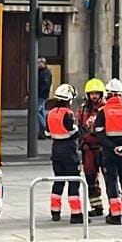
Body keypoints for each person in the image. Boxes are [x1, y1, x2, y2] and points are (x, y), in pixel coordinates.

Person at [92, 79, 122, 225]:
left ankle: (115, 215)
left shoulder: (102, 112)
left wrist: (112, 147)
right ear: (120, 95)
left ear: (108, 95)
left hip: (109, 153)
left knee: (112, 183)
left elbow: (99, 134)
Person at [45, 83, 83, 224]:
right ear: (69, 99)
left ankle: (55, 212)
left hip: (56, 150)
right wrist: (84, 128)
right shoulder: (68, 114)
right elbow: (74, 133)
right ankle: (76, 214)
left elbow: (47, 133)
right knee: (74, 182)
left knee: (58, 181)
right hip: (69, 152)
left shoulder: (50, 114)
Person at [76, 78, 107, 218]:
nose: (94, 96)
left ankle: (115, 208)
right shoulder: (83, 109)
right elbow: (78, 126)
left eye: (96, 93)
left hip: (103, 148)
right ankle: (97, 207)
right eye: (91, 93)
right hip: (88, 149)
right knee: (90, 178)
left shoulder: (106, 109)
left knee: (110, 178)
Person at [36, 58, 53, 138]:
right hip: (41, 95)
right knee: (41, 111)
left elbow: (44, 86)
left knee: (35, 111)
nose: (37, 64)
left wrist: (39, 94)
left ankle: (44, 127)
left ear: (43, 63)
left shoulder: (45, 73)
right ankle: (43, 130)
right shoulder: (41, 72)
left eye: (38, 62)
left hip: (41, 95)